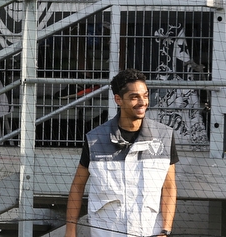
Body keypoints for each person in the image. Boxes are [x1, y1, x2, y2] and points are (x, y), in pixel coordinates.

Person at [64, 68, 178, 237]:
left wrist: (165, 230)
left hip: (150, 233)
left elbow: (169, 187)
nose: (142, 102)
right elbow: (77, 187)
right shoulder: (95, 139)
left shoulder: (164, 136)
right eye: (134, 97)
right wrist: (70, 231)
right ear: (118, 99)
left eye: (145, 95)